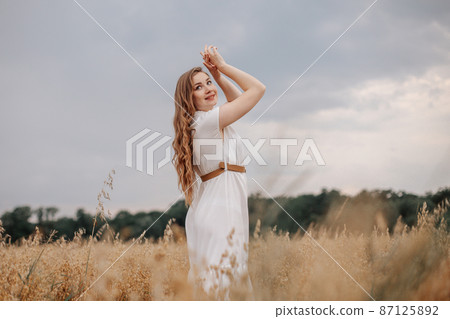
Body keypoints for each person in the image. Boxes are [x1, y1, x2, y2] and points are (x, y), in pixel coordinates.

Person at [172, 45, 265, 300]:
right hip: (219, 212)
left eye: (208, 82)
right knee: (222, 283)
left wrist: (220, 78)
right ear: (188, 99)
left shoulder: (206, 121)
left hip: (220, 207)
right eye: (198, 87)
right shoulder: (207, 122)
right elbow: (257, 90)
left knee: (225, 281)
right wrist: (222, 66)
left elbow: (237, 102)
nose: (208, 89)